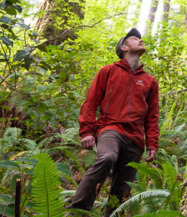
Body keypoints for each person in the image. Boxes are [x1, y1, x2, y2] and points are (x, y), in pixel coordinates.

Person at [67, 28, 160, 214]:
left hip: (135, 138)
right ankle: (77, 211)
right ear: (124, 47)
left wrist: (152, 144)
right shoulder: (108, 71)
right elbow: (90, 102)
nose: (140, 40)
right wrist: (86, 131)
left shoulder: (150, 81)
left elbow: (152, 117)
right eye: (135, 38)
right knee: (107, 157)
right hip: (110, 129)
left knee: (123, 188)